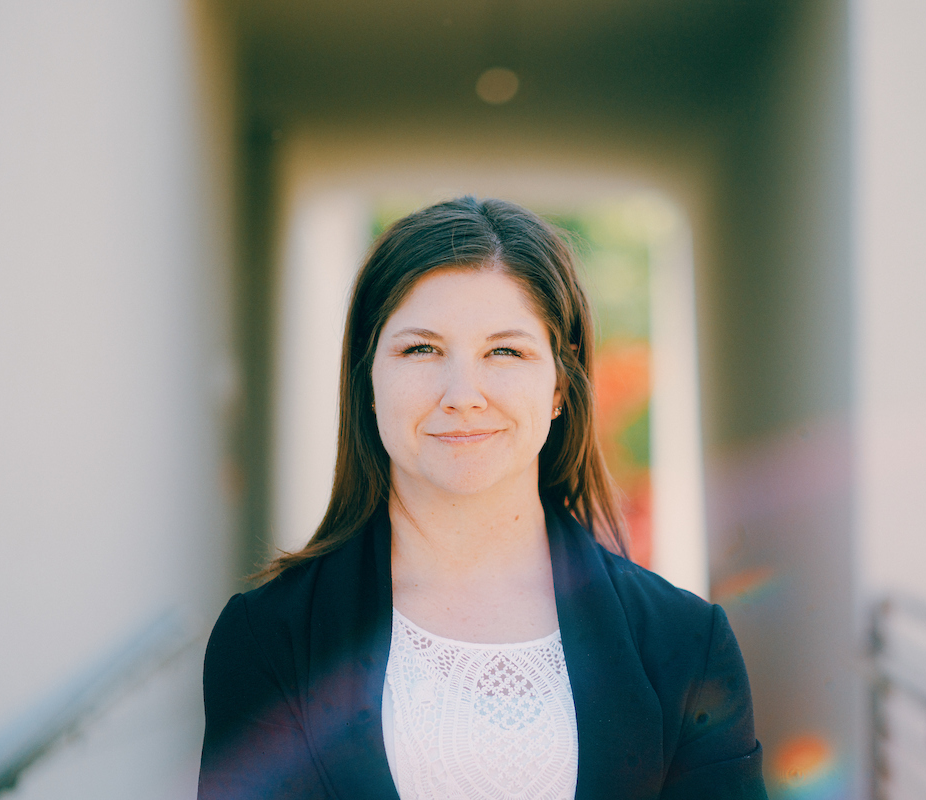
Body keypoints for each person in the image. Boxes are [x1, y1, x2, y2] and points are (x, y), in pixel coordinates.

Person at [198, 197, 767, 799]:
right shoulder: (269, 636)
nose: (463, 394)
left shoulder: (685, 642)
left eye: (506, 351)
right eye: (421, 349)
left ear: (559, 384)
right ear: (368, 376)